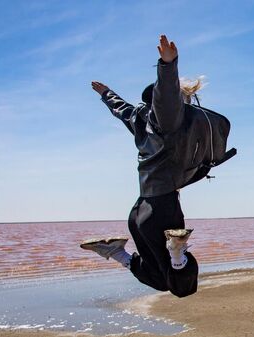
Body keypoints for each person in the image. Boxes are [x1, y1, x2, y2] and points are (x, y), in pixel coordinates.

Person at [81, 35, 201, 298]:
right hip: (162, 209)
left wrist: (105, 94)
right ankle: (177, 248)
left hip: (140, 211)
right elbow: (168, 96)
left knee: (160, 280)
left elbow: (122, 108)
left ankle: (117, 253)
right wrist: (168, 64)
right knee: (183, 288)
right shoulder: (169, 122)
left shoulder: (140, 120)